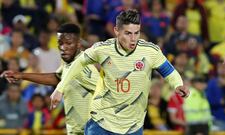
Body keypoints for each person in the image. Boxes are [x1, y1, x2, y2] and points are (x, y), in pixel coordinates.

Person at [54, 10, 190, 135]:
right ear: (116, 31)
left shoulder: (150, 52)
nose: (133, 39)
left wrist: (178, 84)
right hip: (101, 121)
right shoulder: (103, 49)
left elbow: (168, 70)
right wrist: (60, 89)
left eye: (136, 32)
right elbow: (78, 63)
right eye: (128, 33)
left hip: (133, 126)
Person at [1, 23, 100, 135]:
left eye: (68, 43)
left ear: (78, 45)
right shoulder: (69, 65)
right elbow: (55, 78)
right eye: (60, 43)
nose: (63, 48)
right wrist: (21, 75)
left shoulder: (84, 68)